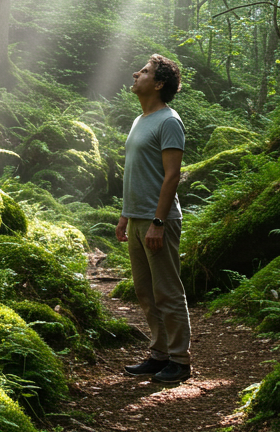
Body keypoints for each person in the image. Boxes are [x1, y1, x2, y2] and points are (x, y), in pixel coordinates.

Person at [114, 53, 191, 384]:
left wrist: (158, 222)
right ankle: (159, 354)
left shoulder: (169, 121)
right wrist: (124, 216)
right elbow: (136, 173)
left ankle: (180, 360)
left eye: (143, 71)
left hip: (159, 220)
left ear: (159, 84)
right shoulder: (138, 120)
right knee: (145, 291)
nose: (136, 73)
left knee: (167, 290)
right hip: (136, 219)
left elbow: (172, 175)